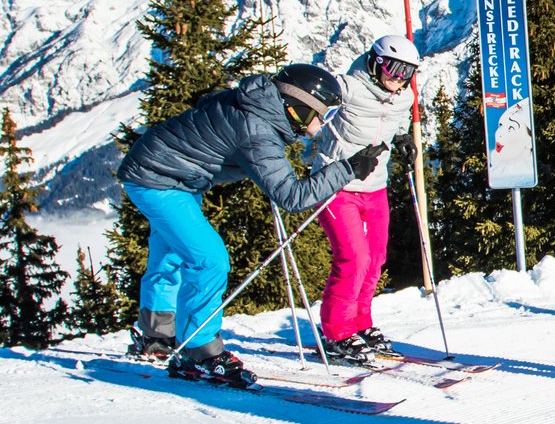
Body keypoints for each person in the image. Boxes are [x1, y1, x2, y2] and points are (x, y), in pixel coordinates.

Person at [118, 63, 388, 388]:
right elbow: (292, 196)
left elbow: (209, 111)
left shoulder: (252, 102)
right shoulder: (258, 130)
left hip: (168, 173)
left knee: (174, 255)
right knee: (209, 260)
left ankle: (155, 336)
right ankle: (198, 352)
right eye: (315, 117)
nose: (317, 129)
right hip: (158, 179)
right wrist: (347, 169)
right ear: (295, 105)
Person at [309, 35, 422, 365]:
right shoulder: (348, 88)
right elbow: (311, 105)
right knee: (353, 259)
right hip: (336, 185)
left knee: (374, 260)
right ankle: (336, 334)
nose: (398, 77)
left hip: (375, 187)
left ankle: (359, 324)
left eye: (407, 71)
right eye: (393, 67)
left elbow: (395, 121)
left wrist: (402, 138)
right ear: (375, 62)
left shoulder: (403, 96)